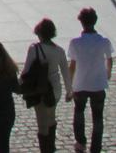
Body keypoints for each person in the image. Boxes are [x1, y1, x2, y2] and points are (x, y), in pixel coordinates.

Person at [22, 18, 71, 153]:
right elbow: (66, 72)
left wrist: (20, 85)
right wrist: (69, 90)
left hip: (40, 89)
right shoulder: (59, 51)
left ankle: (46, 149)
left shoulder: (34, 49)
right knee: (51, 116)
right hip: (55, 90)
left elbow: (26, 71)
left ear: (39, 33)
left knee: (42, 122)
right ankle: (51, 145)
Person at [68, 7, 113, 153]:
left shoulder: (75, 43)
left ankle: (80, 142)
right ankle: (96, 148)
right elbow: (109, 59)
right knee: (98, 117)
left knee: (79, 112)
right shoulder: (104, 41)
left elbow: (73, 65)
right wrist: (108, 73)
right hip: (98, 83)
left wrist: (70, 85)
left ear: (81, 23)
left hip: (80, 83)